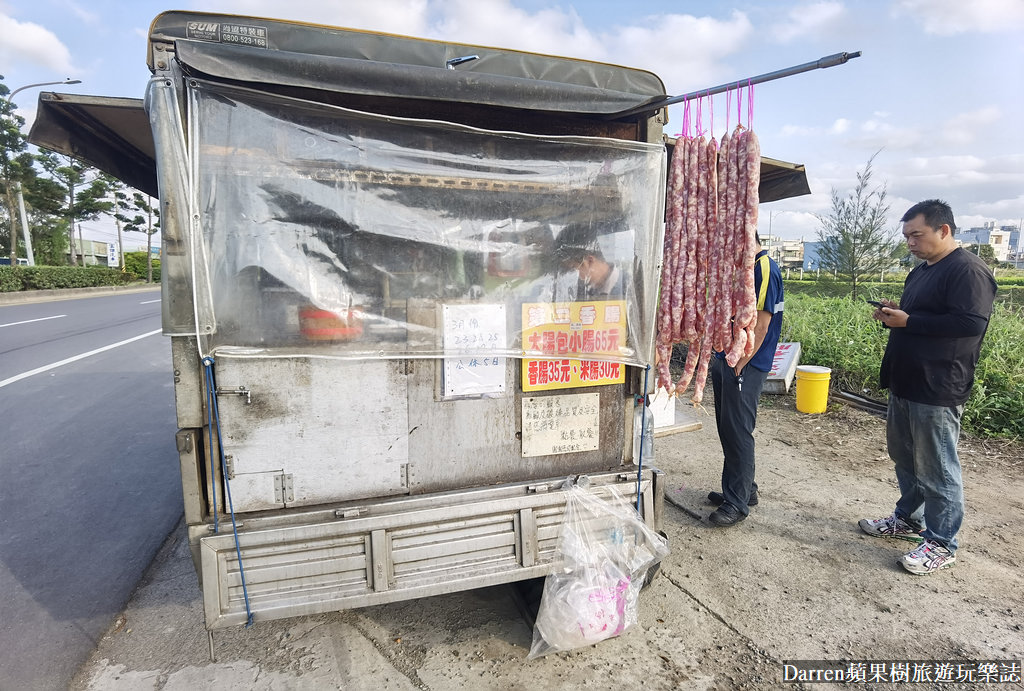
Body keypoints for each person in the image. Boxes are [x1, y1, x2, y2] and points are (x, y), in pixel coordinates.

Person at [859, 199, 997, 574]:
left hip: (938, 386)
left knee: (937, 467)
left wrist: (910, 322)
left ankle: (941, 543)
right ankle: (908, 517)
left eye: (916, 235)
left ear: (944, 230)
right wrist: (894, 317)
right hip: (906, 380)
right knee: (905, 457)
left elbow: (970, 324)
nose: (910, 243)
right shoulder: (921, 271)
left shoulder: (968, 270)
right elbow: (918, 318)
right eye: (906, 237)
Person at [708, 233, 784, 527]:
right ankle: (742, 489)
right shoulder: (745, 268)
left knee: (738, 431)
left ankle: (737, 503)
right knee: (728, 427)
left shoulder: (763, 267)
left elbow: (762, 323)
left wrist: (740, 362)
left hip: (746, 364)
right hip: (729, 358)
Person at [552, 222, 624, 299]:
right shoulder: (579, 294)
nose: (578, 278)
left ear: (590, 260)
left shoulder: (630, 289)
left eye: (574, 270)